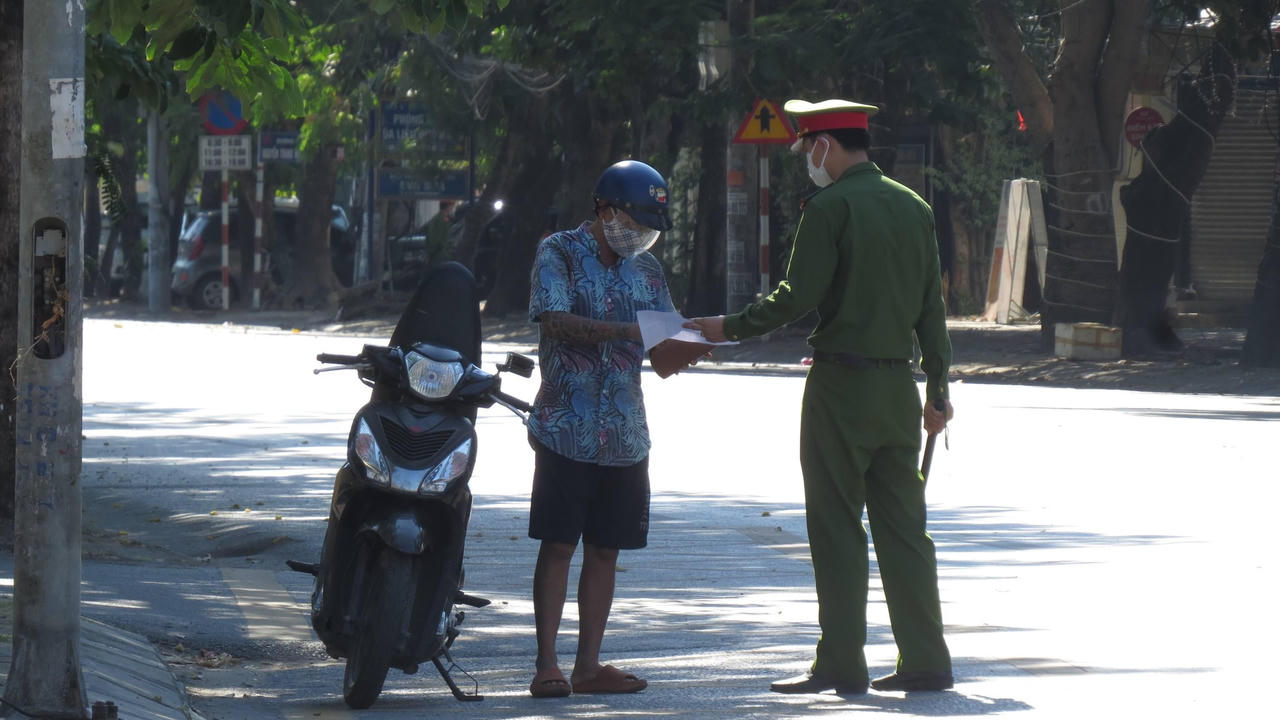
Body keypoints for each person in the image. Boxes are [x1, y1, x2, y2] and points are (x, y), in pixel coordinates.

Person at [686, 98, 955, 695]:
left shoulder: (830, 207)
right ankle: (926, 659)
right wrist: (937, 389)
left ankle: (841, 663)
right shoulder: (914, 207)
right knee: (906, 530)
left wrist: (726, 327)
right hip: (898, 391)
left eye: (809, 147)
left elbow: (794, 295)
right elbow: (932, 310)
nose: (808, 157)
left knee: (836, 527)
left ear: (827, 146)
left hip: (840, 388)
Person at [525, 159, 675, 698]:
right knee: (560, 543)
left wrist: (689, 345)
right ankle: (548, 663)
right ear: (606, 211)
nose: (640, 237)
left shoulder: (649, 271)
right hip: (567, 424)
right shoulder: (558, 252)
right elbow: (555, 320)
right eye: (633, 224)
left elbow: (660, 342)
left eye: (649, 230)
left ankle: (589, 665)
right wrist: (627, 330)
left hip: (627, 432)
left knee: (607, 549)